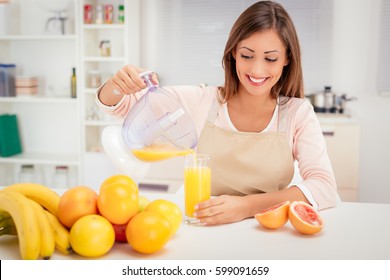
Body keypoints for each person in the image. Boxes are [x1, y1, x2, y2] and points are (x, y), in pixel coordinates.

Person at [96, 1, 339, 226]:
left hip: (266, 227)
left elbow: (324, 187)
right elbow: (122, 105)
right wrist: (118, 84)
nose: (257, 69)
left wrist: (245, 207)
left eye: (270, 58)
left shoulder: (297, 113)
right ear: (233, 53)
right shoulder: (204, 101)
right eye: (247, 55)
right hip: (202, 220)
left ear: (287, 59)